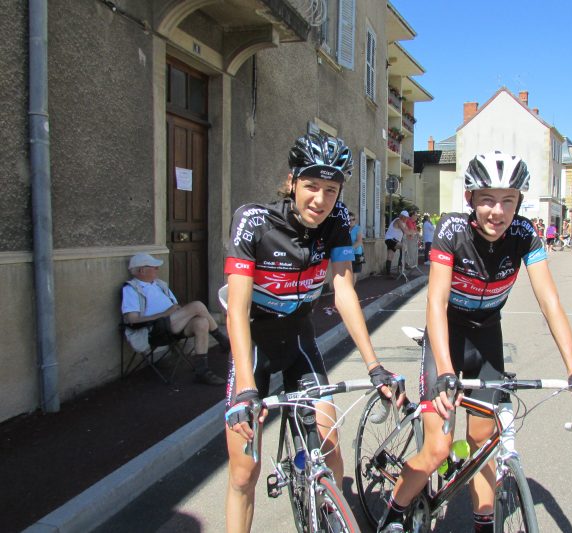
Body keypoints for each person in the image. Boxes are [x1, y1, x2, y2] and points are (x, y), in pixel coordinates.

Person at [379, 151, 572, 533]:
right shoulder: (452, 231)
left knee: (483, 446)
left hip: (486, 336)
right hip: (446, 337)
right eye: (486, 199)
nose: (497, 211)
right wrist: (447, 373)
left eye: (508, 201)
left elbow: (550, 302)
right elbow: (436, 301)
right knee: (437, 449)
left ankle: (484, 523)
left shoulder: (524, 236)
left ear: (519, 202)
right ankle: (394, 515)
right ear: (470, 200)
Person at [223, 133, 400, 532]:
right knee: (242, 472)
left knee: (330, 444)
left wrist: (374, 366)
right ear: (292, 182)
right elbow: (236, 308)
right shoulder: (254, 222)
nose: (321, 200)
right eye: (311, 187)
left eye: (331, 190)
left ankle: (331, 519)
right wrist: (248, 388)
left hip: (300, 341)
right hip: (255, 344)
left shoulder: (337, 222)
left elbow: (343, 290)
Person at [121, 253, 228, 385]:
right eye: (154, 267)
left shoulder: (160, 285)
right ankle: (222, 340)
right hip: (154, 330)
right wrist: (165, 314)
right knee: (198, 305)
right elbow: (132, 319)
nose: (157, 269)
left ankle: (202, 371)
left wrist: (177, 310)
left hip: (173, 325)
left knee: (202, 322)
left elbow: (174, 306)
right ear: (142, 270)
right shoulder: (131, 289)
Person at [385, 210, 410, 275]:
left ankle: (388, 274)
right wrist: (412, 233)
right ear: (402, 216)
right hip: (391, 239)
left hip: (392, 240)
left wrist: (413, 233)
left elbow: (408, 231)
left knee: (390, 256)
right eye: (405, 217)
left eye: (407, 218)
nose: (406, 219)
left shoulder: (403, 223)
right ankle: (401, 266)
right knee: (404, 247)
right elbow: (405, 231)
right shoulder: (398, 220)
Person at [349, 211, 364, 285]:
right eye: (349, 220)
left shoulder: (358, 228)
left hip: (356, 253)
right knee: (348, 273)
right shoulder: (345, 229)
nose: (351, 221)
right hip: (347, 254)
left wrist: (350, 249)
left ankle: (351, 291)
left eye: (353, 219)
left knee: (354, 273)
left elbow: (359, 241)